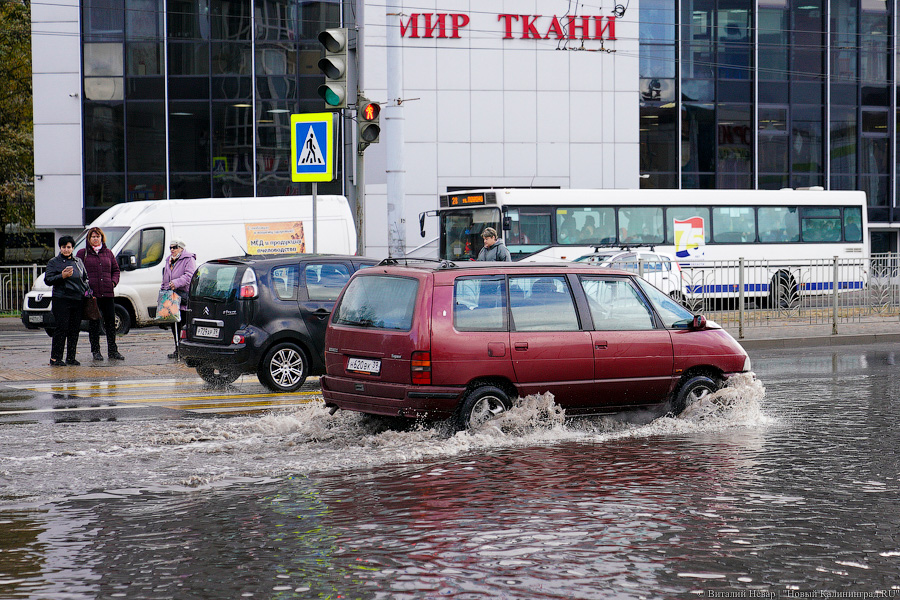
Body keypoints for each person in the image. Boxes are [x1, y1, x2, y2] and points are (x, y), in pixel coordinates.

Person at [77, 227, 124, 361]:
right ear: (89, 239)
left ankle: (113, 350)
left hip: (107, 294)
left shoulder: (108, 253)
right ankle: (96, 351)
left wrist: (113, 283)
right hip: (92, 296)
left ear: (101, 238)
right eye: (93, 237)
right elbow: (78, 272)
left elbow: (116, 270)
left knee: (110, 323)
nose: (95, 239)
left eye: (98, 237)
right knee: (94, 324)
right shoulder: (83, 253)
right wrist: (85, 287)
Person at [44, 235, 89, 366]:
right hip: (61, 299)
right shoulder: (54, 262)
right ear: (60, 248)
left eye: (69, 247)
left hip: (77, 299)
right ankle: (55, 358)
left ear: (73, 248)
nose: (66, 250)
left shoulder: (78, 262)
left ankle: (71, 357)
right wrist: (62, 276)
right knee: (61, 328)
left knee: (74, 329)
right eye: (64, 247)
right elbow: (48, 280)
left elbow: (85, 278)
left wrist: (86, 288)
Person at [161, 239, 197, 359]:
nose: (172, 250)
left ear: (181, 248)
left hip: (183, 296)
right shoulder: (169, 260)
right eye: (170, 247)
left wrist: (176, 283)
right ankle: (178, 349)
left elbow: (190, 275)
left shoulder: (189, 259)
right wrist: (162, 293)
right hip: (171, 298)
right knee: (174, 324)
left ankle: (187, 351)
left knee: (183, 325)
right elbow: (165, 278)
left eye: (174, 247)